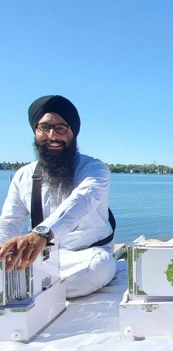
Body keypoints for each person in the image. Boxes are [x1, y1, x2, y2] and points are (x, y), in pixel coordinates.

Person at [0, 95, 117, 298]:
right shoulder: (23, 175)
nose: (52, 136)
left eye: (61, 128)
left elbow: (82, 200)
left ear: (73, 132)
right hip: (41, 257)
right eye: (44, 128)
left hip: (85, 255)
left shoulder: (94, 169)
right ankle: (32, 286)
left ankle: (31, 287)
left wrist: (43, 234)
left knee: (98, 268)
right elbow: (10, 222)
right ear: (35, 131)